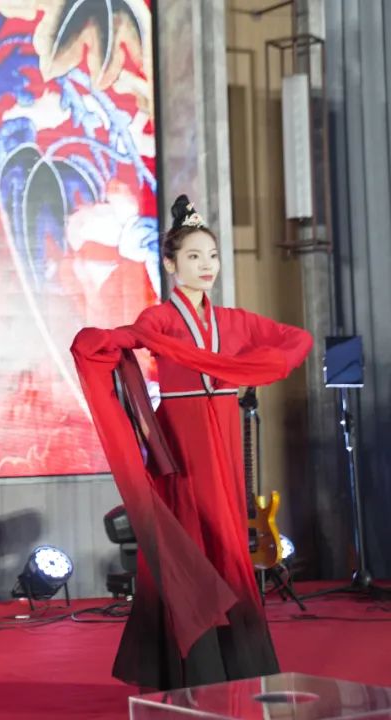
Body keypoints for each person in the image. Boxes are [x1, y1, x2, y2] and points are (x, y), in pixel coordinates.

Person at [71, 195, 312, 690]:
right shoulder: (159, 319)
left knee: (227, 538)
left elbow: (295, 339)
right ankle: (192, 665)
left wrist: (252, 368)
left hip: (223, 435)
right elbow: (129, 338)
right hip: (182, 441)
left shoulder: (236, 321)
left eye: (213, 256)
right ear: (170, 264)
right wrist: (100, 343)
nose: (206, 266)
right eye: (194, 256)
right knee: (192, 538)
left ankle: (238, 662)